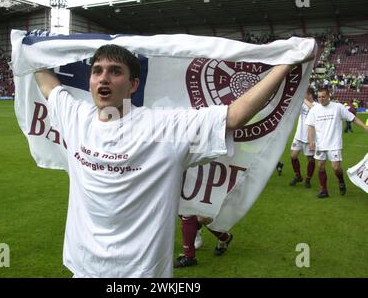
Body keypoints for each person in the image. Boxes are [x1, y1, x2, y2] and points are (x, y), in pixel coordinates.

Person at [33, 44, 313, 277]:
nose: (103, 78)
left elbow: (234, 116)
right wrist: (28, 50)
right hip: (82, 268)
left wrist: (286, 63)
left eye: (115, 71)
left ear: (133, 85)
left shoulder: (164, 128)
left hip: (142, 274)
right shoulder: (75, 116)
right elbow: (49, 85)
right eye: (97, 71)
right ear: (90, 81)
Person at [306, 88, 368, 198]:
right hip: (320, 144)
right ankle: (324, 190)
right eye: (319, 97)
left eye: (323, 96)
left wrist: (364, 126)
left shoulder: (338, 107)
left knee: (336, 168)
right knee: (320, 167)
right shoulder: (314, 110)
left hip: (334, 144)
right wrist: (311, 141)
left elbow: (352, 118)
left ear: (328, 96)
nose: (321, 99)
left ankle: (341, 181)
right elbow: (310, 126)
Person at [289, 88, 317, 188]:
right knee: (293, 156)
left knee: (310, 159)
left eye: (304, 94)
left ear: (309, 94)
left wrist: (302, 99)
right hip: (298, 136)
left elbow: (313, 109)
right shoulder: (301, 104)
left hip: (310, 138)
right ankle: (298, 176)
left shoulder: (317, 106)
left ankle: (308, 179)